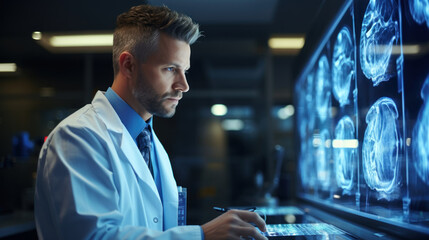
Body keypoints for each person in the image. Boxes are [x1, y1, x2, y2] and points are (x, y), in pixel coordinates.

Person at [34, 4, 267, 240]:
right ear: (129, 65)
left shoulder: (150, 143)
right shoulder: (78, 137)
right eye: (170, 69)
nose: (183, 85)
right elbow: (94, 236)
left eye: (184, 70)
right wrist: (202, 235)